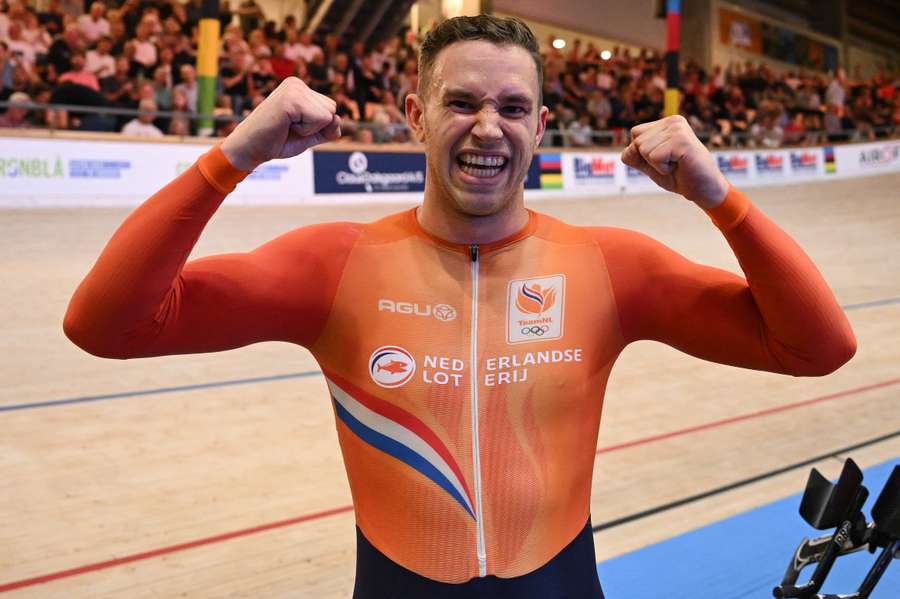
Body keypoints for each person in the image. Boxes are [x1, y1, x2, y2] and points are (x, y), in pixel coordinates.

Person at [64, 15, 855, 598]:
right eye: (462, 102)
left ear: (540, 127)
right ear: (415, 114)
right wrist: (234, 154)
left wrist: (721, 199)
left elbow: (817, 346)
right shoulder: (333, 267)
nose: (488, 127)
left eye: (513, 108)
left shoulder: (610, 268)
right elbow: (106, 325)